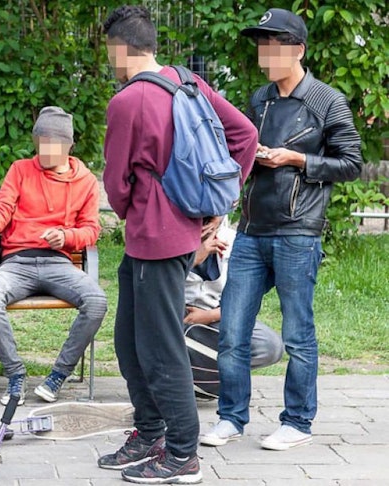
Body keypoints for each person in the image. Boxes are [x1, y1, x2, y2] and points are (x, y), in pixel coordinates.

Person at [99, 6, 258, 483]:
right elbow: (245, 136)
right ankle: (149, 433)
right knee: (128, 339)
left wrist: (137, 210)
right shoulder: (187, 82)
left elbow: (116, 183)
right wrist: (216, 208)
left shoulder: (126, 102)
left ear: (119, 49)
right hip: (165, 236)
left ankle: (182, 454)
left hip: (155, 236)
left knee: (160, 347)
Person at [201, 8, 363, 452]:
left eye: (274, 44)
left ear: (298, 50)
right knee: (232, 330)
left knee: (297, 332)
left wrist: (296, 160)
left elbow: (351, 165)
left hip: (298, 231)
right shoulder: (260, 99)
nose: (265, 52)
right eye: (261, 44)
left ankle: (297, 421)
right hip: (252, 230)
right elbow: (242, 158)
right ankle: (231, 418)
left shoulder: (328, 100)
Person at [0, 106, 107, 407]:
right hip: (18, 262)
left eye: (54, 145)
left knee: (97, 301)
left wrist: (66, 236)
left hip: (57, 263)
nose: (46, 152)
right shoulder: (21, 170)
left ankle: (57, 376)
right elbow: (2, 208)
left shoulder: (86, 181)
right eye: (41, 144)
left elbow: (91, 230)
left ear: (68, 145)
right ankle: (15, 376)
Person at [185, 221, 283, 388]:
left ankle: (207, 379)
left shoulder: (234, 242)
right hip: (173, 315)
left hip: (216, 315)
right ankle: (174, 379)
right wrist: (193, 260)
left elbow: (246, 300)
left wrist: (209, 316)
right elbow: (155, 288)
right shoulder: (170, 239)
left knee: (270, 346)